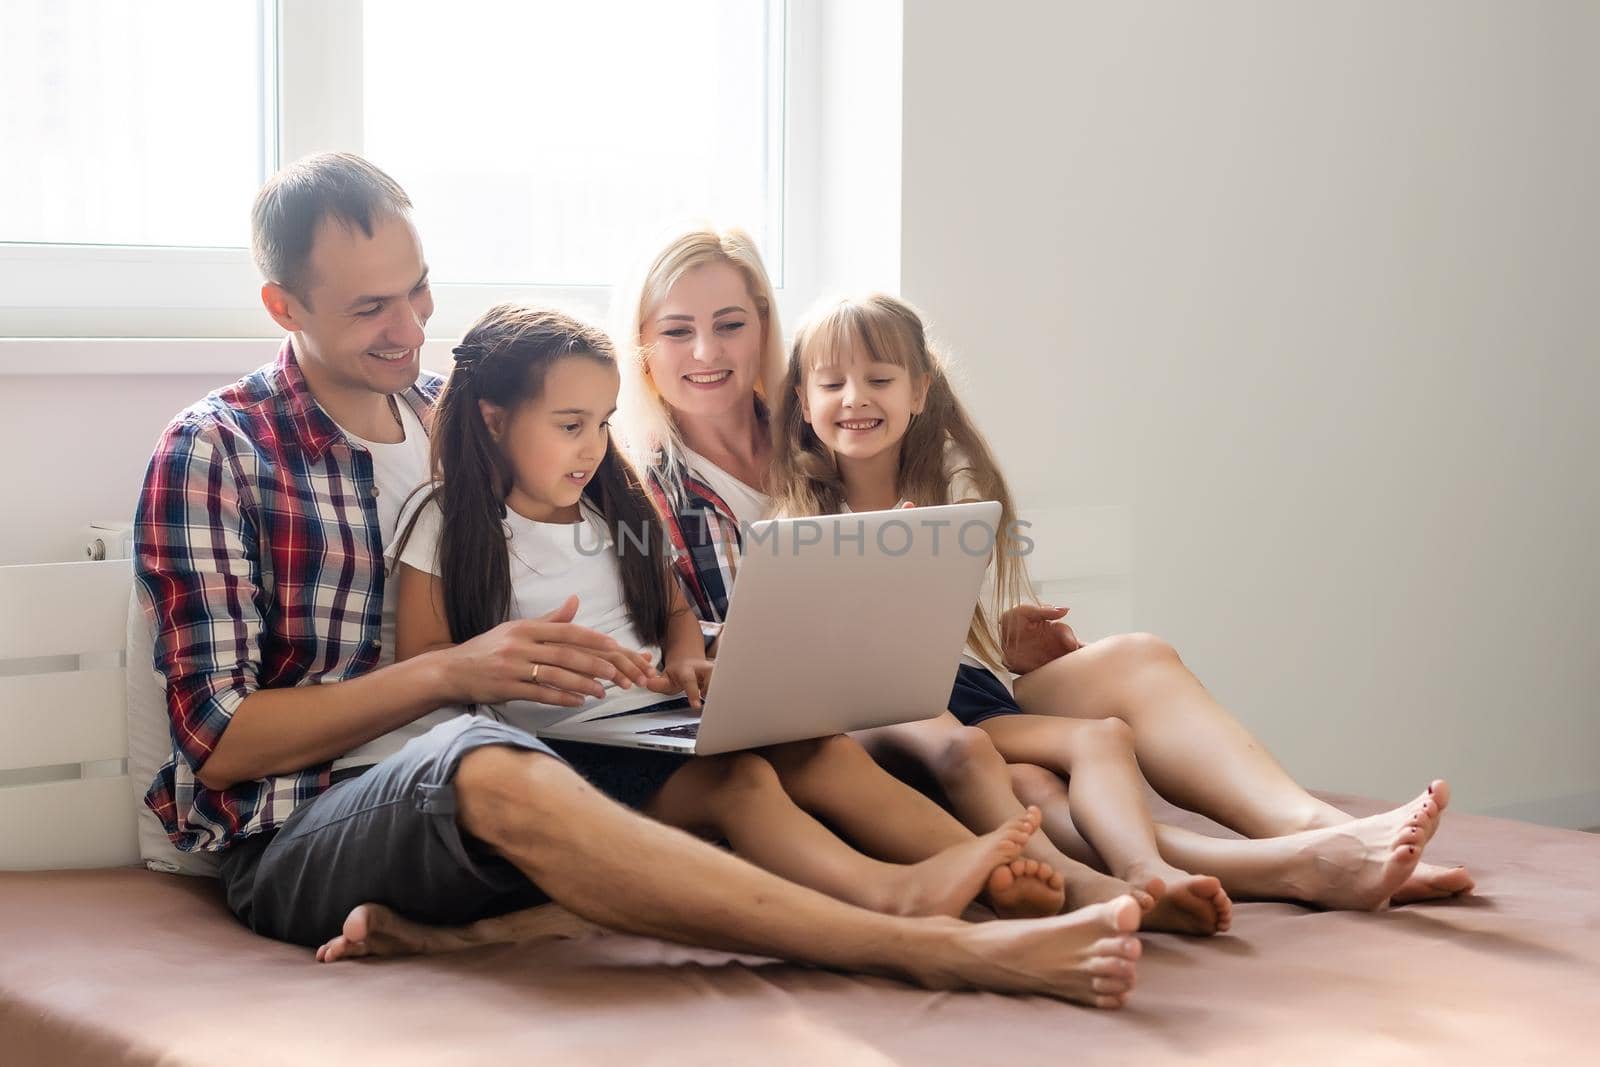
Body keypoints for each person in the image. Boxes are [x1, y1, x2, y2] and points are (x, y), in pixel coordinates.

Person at [131, 152, 1144, 1009]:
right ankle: (922, 941)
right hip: (309, 822)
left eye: (419, 288)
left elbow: (634, 540)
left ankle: (1057, 884)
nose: (409, 324)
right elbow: (219, 744)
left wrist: (685, 655)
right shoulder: (223, 450)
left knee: (749, 757)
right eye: (369, 306)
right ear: (283, 304)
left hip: (529, 751)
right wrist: (452, 675)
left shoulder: (476, 409)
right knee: (478, 756)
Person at [616, 225, 1469, 908]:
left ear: (766, 326)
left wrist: (988, 632)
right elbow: (721, 651)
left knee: (1138, 656)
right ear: (646, 349)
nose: (707, 351)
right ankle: (1285, 865)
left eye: (730, 322)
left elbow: (896, 597)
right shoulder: (646, 484)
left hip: (939, 678)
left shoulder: (815, 426)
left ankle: (1320, 827)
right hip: (844, 721)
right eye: (678, 330)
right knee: (1020, 775)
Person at [385, 302, 1066, 921]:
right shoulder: (448, 522)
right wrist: (505, 667)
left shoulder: (614, 506)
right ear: (493, 418)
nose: (593, 446)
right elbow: (427, 671)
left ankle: (998, 872)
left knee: (821, 746)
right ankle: (889, 892)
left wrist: (685, 653)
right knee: (742, 782)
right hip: (565, 749)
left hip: (659, 720)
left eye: (603, 423)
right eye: (570, 426)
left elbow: (676, 610)